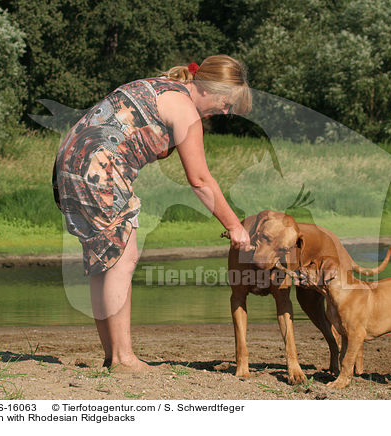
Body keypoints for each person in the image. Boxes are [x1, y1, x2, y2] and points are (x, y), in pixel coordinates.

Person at [53, 55, 253, 371]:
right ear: (209, 87)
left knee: (104, 262)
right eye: (226, 102)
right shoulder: (185, 109)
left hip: (71, 162)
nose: (225, 112)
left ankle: (112, 355)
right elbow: (200, 180)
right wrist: (235, 226)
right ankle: (123, 359)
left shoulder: (166, 88)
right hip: (98, 169)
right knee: (123, 257)